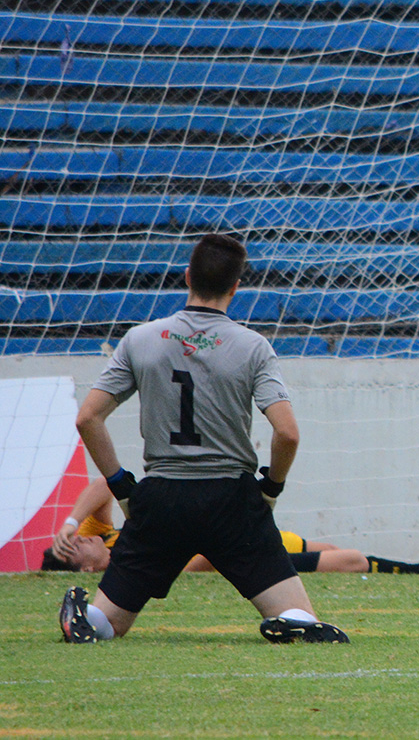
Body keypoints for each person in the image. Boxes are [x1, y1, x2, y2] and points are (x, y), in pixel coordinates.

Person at [58, 233, 347, 645]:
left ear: (187, 275)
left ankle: (85, 619)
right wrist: (270, 489)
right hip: (232, 499)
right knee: (298, 615)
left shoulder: (140, 340)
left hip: (161, 498)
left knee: (106, 624)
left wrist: (122, 486)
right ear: (235, 288)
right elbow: (287, 433)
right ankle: (291, 620)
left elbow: (88, 418)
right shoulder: (253, 346)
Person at [42, 478, 419, 576]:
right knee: (350, 561)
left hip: (246, 529)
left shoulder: (107, 535)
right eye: (73, 547)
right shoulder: (132, 567)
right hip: (240, 551)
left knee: (338, 550)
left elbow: (102, 483)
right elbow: (200, 561)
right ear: (84, 570)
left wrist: (70, 521)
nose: (80, 540)